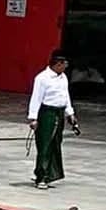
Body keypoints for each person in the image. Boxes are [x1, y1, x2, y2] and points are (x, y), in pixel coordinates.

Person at [27, 49, 78, 190]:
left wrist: (70, 113)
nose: (66, 67)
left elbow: (65, 96)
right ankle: (41, 176)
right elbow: (36, 98)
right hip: (47, 113)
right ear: (57, 64)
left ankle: (50, 174)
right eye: (64, 64)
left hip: (59, 112)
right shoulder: (42, 78)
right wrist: (33, 118)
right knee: (45, 145)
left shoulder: (63, 77)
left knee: (55, 144)